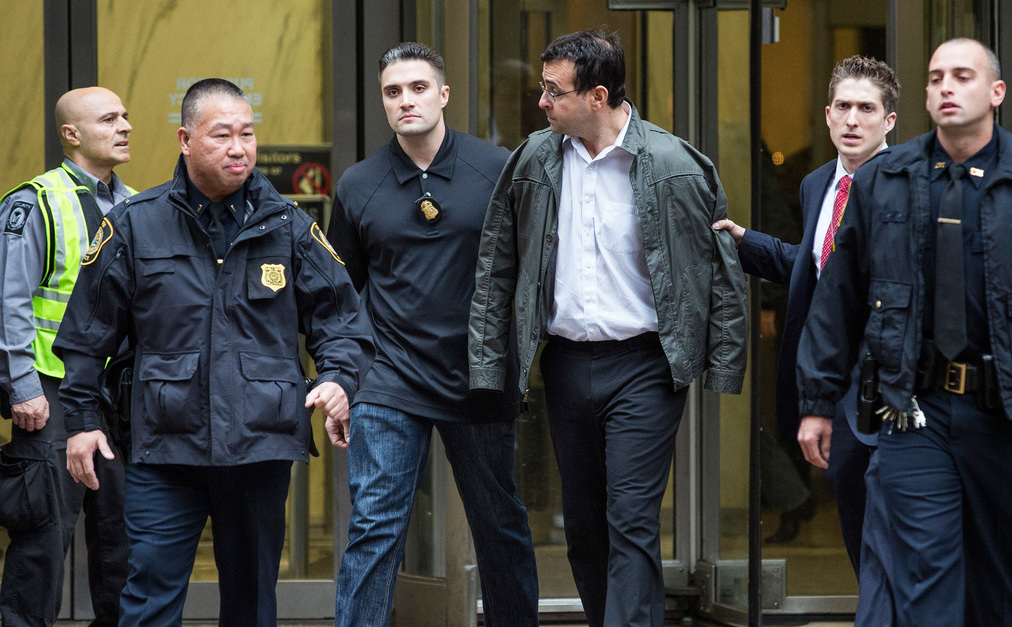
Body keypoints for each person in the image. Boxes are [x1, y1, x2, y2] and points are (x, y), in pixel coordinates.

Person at [795, 38, 1012, 626]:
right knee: (924, 573)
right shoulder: (884, 182)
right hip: (913, 410)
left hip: (1006, 413)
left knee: (997, 581)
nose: (945, 86)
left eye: (961, 75)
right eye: (936, 75)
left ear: (996, 93)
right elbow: (838, 300)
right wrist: (816, 402)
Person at [53, 78, 374, 626]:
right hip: (164, 447)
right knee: (147, 595)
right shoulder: (135, 224)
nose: (238, 148)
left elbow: (342, 320)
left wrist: (340, 378)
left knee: (251, 603)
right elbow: (87, 332)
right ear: (184, 139)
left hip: (260, 446)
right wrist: (82, 420)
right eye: (221, 135)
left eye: (247, 134)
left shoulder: (290, 227)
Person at [468, 29, 747, 627]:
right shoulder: (534, 162)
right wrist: (491, 364)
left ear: (597, 96)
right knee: (587, 532)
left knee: (632, 524)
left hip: (645, 368)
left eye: (552, 91)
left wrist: (723, 361)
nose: (541, 102)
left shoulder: (674, 164)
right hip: (566, 365)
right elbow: (497, 265)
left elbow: (719, 267)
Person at [328, 43, 538, 626]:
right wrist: (344, 379)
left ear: (443, 94)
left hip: (479, 373)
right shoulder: (358, 185)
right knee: (374, 526)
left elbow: (528, 271)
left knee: (499, 523)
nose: (406, 101)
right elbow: (343, 297)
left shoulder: (495, 169)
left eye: (418, 88)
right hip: (390, 380)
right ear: (383, 103)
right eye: (393, 92)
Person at [714, 55, 899, 623]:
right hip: (832, 381)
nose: (852, 119)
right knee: (853, 508)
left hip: (892, 384)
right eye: (842, 106)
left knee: (893, 525)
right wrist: (746, 242)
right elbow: (817, 266)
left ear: (890, 121)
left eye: (867, 108)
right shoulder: (818, 184)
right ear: (826, 114)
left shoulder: (906, 185)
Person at [0, 86, 132, 627]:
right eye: (109, 119)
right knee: (43, 541)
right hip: (50, 391)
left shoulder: (136, 203)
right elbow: (9, 299)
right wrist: (22, 386)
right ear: (71, 134)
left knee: (122, 539)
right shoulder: (35, 200)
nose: (124, 125)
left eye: (125, 116)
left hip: (117, 396)